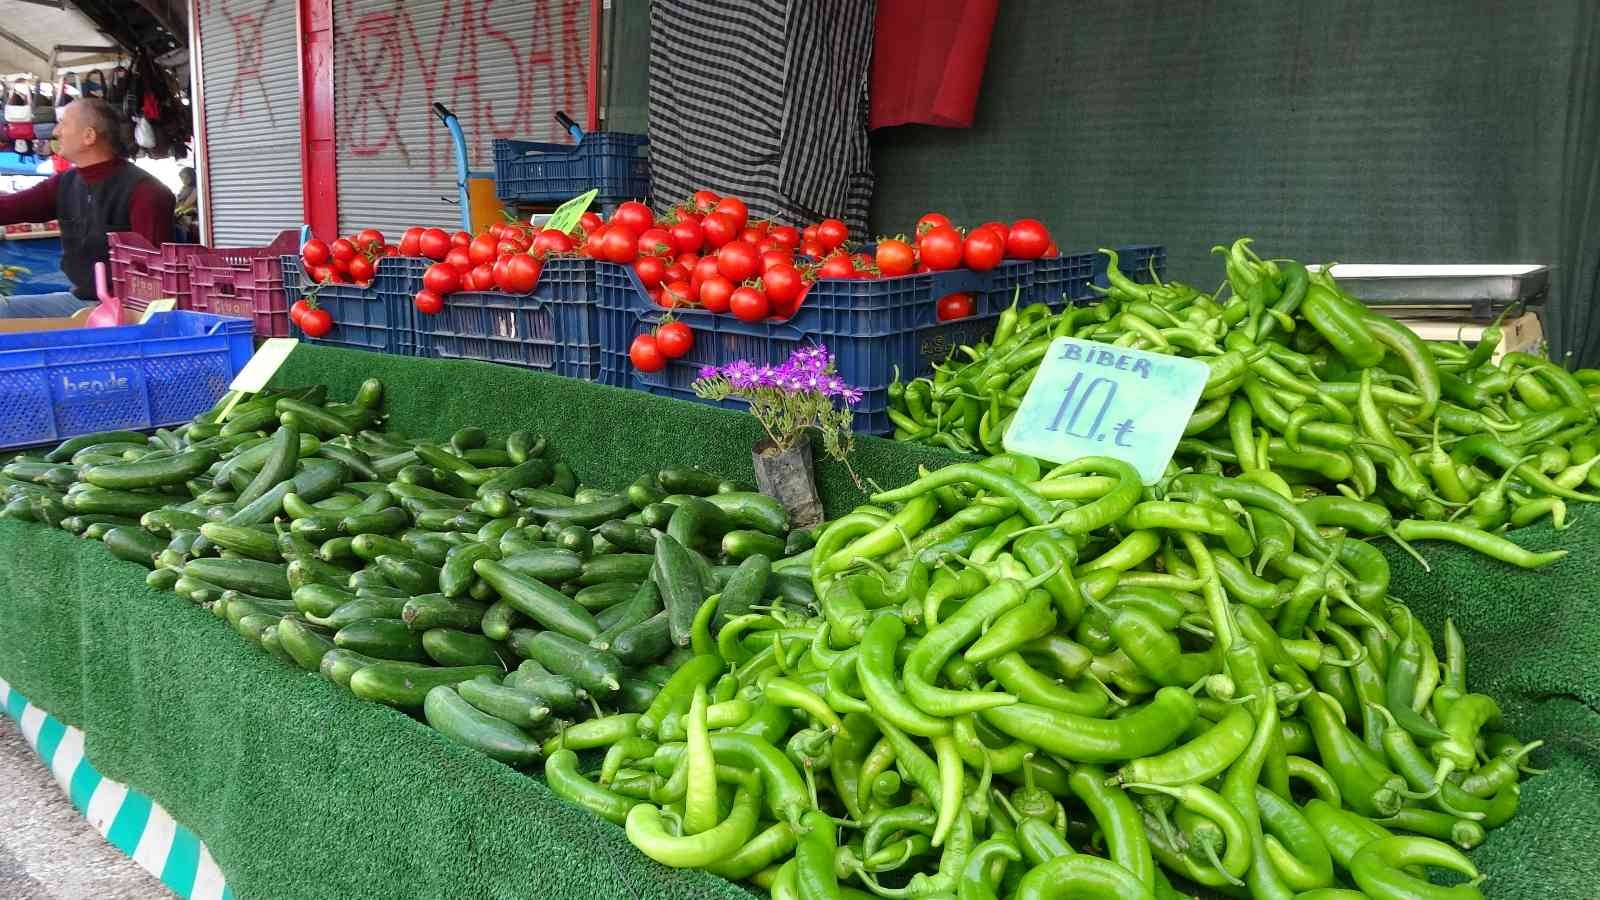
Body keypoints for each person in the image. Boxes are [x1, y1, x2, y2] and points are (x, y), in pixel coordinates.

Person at [0, 98, 175, 317]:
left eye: (63, 123)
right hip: (81, 300)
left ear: (89, 136)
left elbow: (154, 276)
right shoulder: (65, 182)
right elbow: (10, 208)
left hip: (125, 310)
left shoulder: (146, 192)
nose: (55, 131)